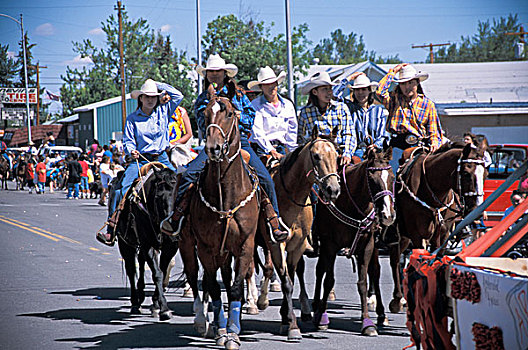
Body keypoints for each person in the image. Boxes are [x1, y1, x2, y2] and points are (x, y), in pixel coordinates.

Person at [160, 53, 289, 242]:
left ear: (224, 73)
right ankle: (177, 218)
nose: (213, 75)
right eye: (210, 72)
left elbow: (250, 118)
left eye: (217, 71)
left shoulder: (238, 95)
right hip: (212, 144)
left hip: (239, 143)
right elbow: (204, 126)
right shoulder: (203, 99)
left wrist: (236, 116)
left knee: (265, 179)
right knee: (189, 175)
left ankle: (274, 220)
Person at [96, 79, 182, 246]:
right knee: (121, 189)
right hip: (141, 160)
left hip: (162, 157)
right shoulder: (132, 118)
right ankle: (111, 227)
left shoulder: (164, 111)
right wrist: (131, 150)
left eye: (153, 97)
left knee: (182, 184)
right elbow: (128, 141)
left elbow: (178, 95)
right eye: (147, 96)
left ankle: (184, 226)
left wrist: (158, 85)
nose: (150, 100)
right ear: (140, 98)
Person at [376, 63, 444, 172]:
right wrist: (393, 71)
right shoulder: (394, 100)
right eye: (403, 84)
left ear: (417, 83)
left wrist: (434, 143)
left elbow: (433, 130)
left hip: (419, 145)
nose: (407, 87)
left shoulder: (428, 104)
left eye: (411, 83)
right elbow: (380, 91)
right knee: (391, 174)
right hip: (397, 144)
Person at [298, 71, 355, 165]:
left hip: (338, 155)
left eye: (330, 89)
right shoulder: (305, 113)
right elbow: (300, 139)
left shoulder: (341, 108)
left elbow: (349, 133)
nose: (329, 92)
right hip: (316, 159)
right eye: (325, 89)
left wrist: (347, 154)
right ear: (315, 92)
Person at [335, 72, 390, 160]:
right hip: (354, 152)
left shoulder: (379, 111)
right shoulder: (348, 107)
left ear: (369, 91)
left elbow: (383, 134)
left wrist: (376, 145)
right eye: (357, 90)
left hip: (375, 151)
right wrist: (350, 78)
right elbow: (334, 95)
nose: (360, 93)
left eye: (363, 89)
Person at [248, 66, 297, 159]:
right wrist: (271, 150)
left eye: (273, 83)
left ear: (277, 84)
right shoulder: (255, 105)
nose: (271, 87)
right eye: (266, 84)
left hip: (282, 147)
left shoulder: (288, 105)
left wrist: (292, 151)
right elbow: (257, 132)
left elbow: (292, 131)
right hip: (261, 149)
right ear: (261, 87)